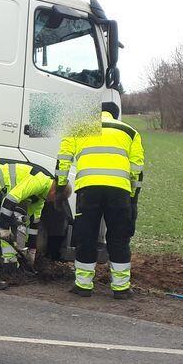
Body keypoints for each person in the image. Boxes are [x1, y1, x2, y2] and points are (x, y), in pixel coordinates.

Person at [56, 102, 145, 298]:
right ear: (115, 115)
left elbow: (63, 159)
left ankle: (83, 285)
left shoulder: (78, 129)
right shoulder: (129, 132)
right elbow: (137, 169)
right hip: (120, 191)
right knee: (119, 238)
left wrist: (61, 188)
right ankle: (121, 288)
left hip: (88, 189)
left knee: (86, 235)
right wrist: (133, 198)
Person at [0, 162, 63, 290]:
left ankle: (10, 267)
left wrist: (32, 251)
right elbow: (10, 199)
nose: (52, 202)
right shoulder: (40, 182)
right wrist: (3, 228)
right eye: (54, 200)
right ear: (54, 192)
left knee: (11, 226)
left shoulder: (40, 197)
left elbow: (33, 222)